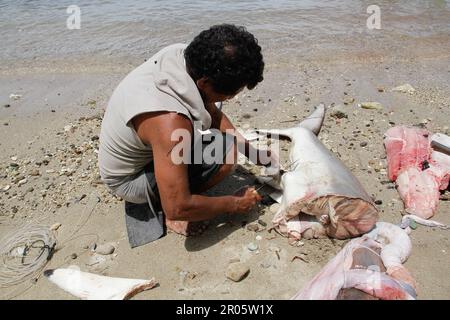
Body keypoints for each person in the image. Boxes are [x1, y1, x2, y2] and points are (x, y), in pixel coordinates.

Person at [98, 24, 277, 248]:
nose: (231, 98)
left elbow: (212, 111)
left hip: (147, 149)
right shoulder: (170, 122)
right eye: (231, 93)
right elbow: (178, 205)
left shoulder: (184, 58)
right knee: (225, 154)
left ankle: (170, 183)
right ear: (204, 83)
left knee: (229, 141)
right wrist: (235, 203)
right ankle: (166, 208)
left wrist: (251, 151)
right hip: (129, 181)